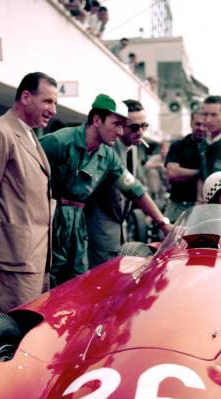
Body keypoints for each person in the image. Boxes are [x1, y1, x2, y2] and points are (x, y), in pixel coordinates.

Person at [40, 93, 172, 285]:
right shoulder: (58, 142)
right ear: (96, 120)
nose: (120, 132)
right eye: (116, 124)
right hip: (49, 219)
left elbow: (134, 189)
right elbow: (25, 178)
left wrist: (163, 223)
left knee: (78, 282)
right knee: (46, 281)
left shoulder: (108, 156)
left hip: (77, 224)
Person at [0, 72, 57, 313]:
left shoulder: (29, 134)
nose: (53, 109)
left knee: (32, 333)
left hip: (36, 255)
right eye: (48, 101)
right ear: (26, 97)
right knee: (17, 332)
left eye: (55, 103)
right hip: (14, 257)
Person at [85, 99, 150, 268]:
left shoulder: (133, 149)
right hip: (98, 229)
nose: (141, 132)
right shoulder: (107, 149)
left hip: (119, 228)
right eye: (134, 127)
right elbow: (133, 189)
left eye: (145, 126)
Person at [164, 111, 205, 222]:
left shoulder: (214, 148)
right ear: (191, 123)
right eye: (197, 124)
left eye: (204, 125)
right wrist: (202, 173)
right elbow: (172, 173)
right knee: (168, 237)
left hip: (205, 208)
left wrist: (184, 173)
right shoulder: (179, 145)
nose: (201, 128)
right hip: (178, 206)